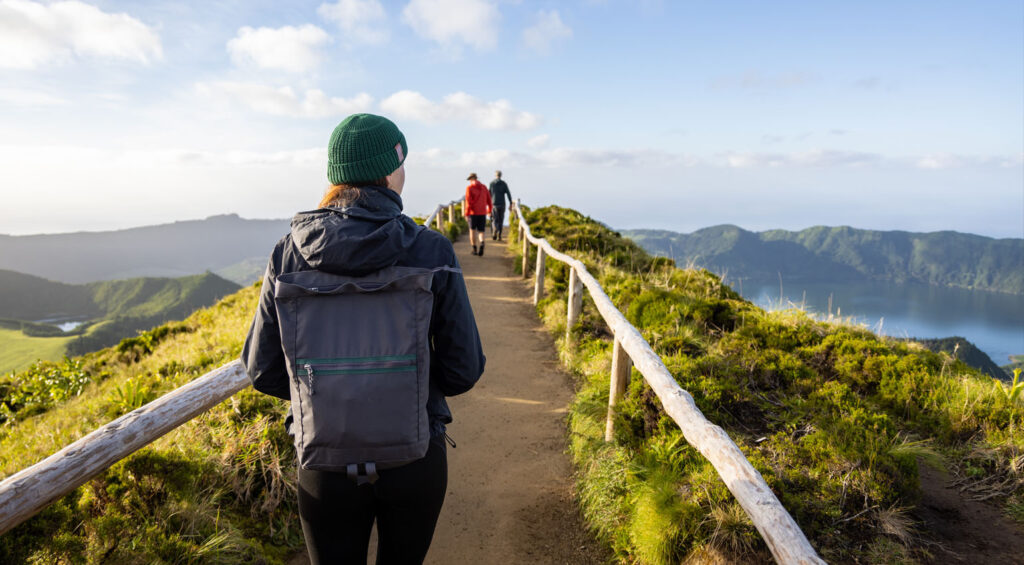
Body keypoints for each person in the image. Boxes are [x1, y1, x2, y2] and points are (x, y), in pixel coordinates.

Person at [241, 113, 485, 564]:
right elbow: (463, 370)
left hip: (323, 463)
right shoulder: (431, 251)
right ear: (391, 171)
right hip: (414, 458)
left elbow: (262, 369)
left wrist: (327, 395)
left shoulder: (287, 252)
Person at [464, 173, 492, 256]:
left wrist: (466, 213)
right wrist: (489, 210)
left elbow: (468, 202)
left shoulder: (469, 188)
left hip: (473, 213)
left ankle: (474, 249)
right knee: (481, 231)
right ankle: (482, 243)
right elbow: (489, 200)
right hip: (482, 212)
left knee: (472, 231)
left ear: (471, 179)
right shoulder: (484, 187)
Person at [488, 170, 512, 241]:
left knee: (495, 219)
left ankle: (495, 230)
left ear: (495, 175)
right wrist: (510, 203)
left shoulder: (491, 183)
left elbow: (489, 194)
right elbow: (508, 193)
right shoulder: (504, 183)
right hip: (502, 204)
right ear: (501, 175)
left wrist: (488, 204)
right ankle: (499, 234)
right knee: (501, 220)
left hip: (494, 204)